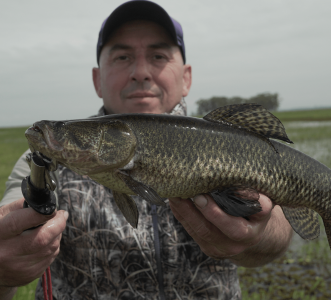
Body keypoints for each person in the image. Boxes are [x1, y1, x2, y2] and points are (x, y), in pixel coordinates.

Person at [0, 1, 293, 299]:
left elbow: (278, 234)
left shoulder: (229, 143)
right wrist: (5, 268)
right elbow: (8, 230)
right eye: (123, 56)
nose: (140, 72)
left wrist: (259, 236)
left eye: (158, 56)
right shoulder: (41, 164)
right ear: (97, 79)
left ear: (187, 77)